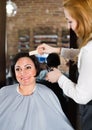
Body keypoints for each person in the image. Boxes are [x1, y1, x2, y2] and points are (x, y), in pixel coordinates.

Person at [36, 0, 92, 130]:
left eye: (70, 21)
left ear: (83, 19)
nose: (69, 26)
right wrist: (55, 50)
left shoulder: (89, 50)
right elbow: (82, 54)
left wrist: (59, 78)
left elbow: (81, 97)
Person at [0, 52, 74, 130]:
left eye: (28, 67)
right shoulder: (4, 92)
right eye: (18, 69)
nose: (23, 72)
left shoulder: (47, 93)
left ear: (36, 69)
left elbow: (59, 124)